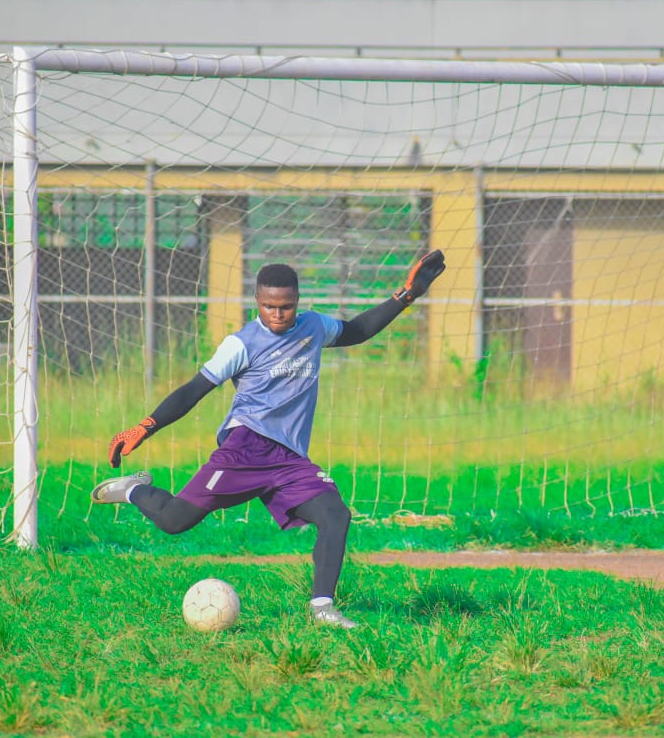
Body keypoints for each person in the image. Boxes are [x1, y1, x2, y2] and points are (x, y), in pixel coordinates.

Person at [92, 250, 447, 629]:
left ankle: (322, 608)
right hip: (245, 449)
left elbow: (357, 331)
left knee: (335, 515)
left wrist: (406, 296)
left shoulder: (313, 327)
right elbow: (194, 390)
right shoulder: (240, 344)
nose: (278, 315)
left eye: (286, 307)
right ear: (257, 302)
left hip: (291, 459)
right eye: (269, 307)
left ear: (297, 302)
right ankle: (132, 489)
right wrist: (145, 427)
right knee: (175, 521)